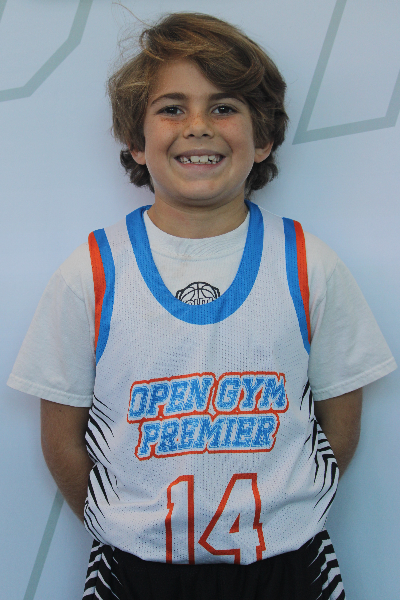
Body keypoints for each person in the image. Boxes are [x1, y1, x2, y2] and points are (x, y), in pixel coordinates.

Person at [7, 12, 396, 600]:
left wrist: (287, 509)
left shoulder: (308, 264)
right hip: (135, 568)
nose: (198, 127)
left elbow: (340, 425)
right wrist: (122, 525)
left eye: (224, 108)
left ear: (262, 138)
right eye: (172, 108)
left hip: (287, 563)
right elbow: (61, 438)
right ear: (136, 142)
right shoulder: (91, 272)